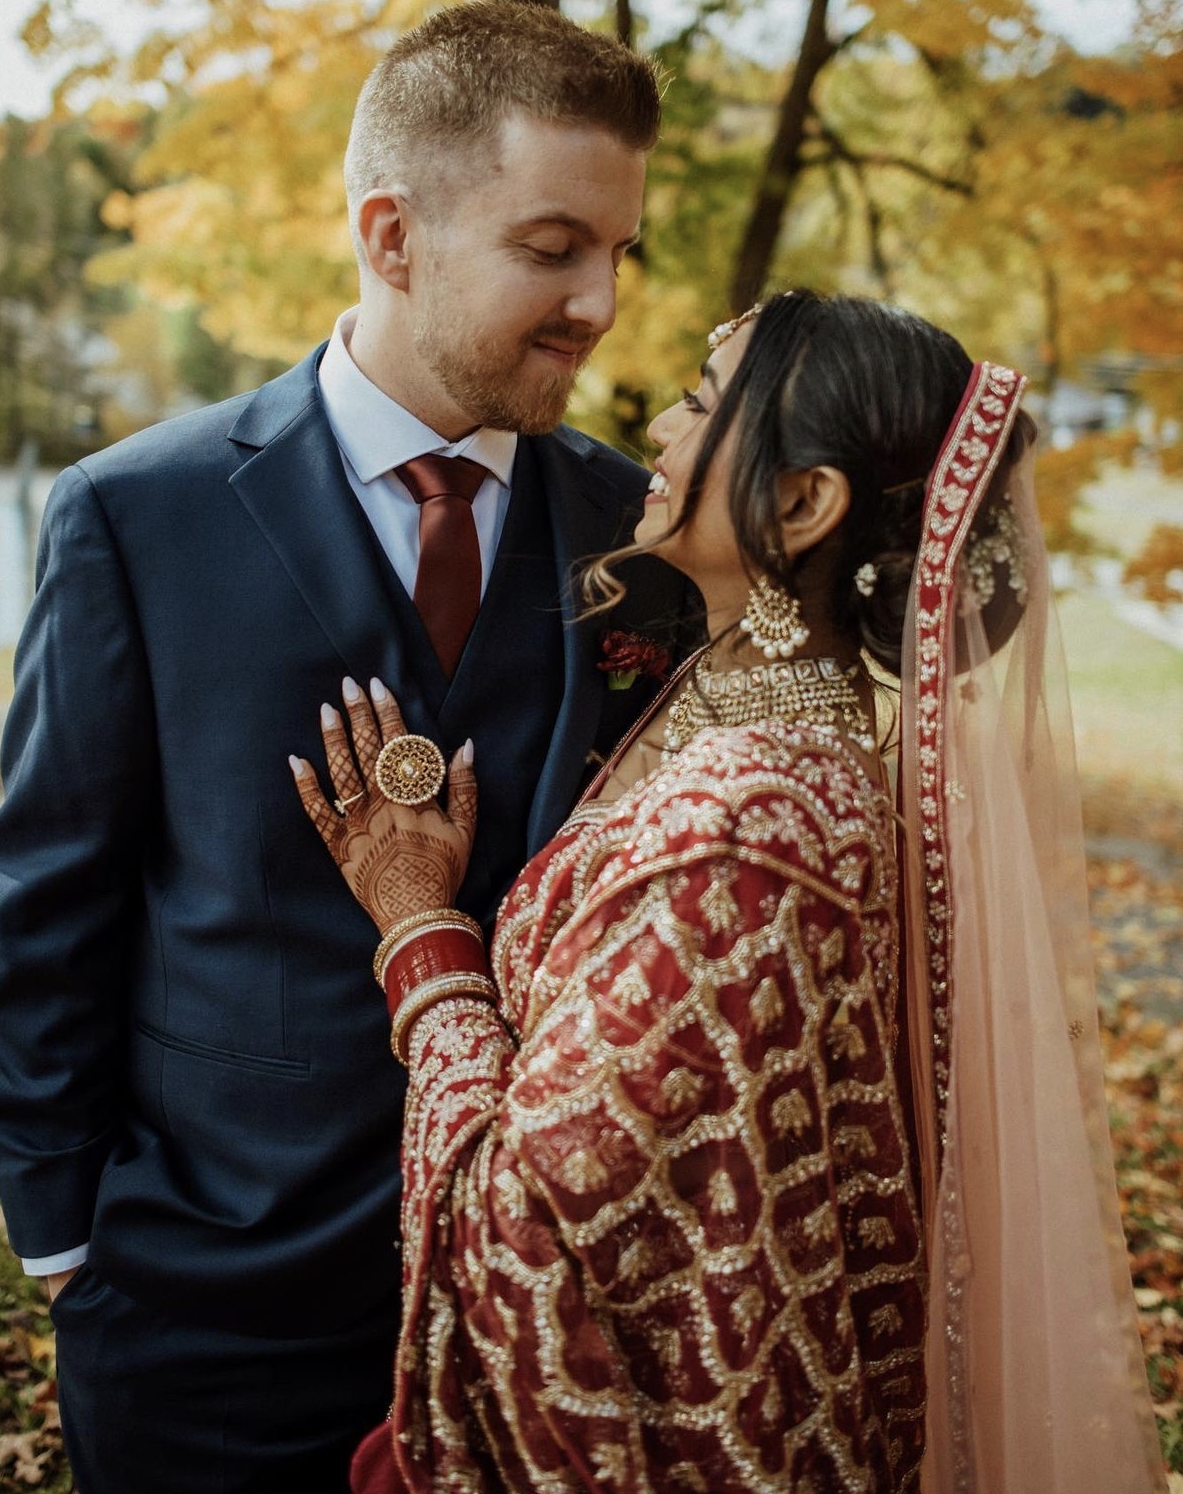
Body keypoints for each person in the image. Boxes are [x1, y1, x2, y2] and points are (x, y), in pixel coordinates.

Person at [0, 0, 696, 1492]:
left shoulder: (648, 535)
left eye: (620, 252)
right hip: (204, 1306)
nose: (600, 302)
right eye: (552, 247)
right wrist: (67, 1246)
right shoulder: (137, 515)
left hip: (538, 1321)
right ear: (392, 234)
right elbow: (50, 895)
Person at [294, 290, 1169, 1493]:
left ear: (804, 504)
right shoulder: (730, 711)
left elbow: (523, 1239)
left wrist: (418, 929)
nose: (657, 426)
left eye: (701, 405)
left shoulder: (748, 831)